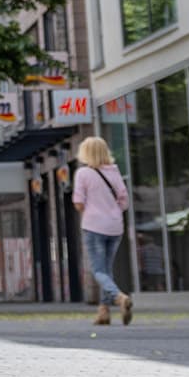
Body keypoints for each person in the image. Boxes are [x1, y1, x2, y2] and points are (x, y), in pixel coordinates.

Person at [72, 136, 133, 326]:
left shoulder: (83, 173)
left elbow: (79, 202)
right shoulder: (114, 172)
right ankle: (104, 313)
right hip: (115, 226)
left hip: (93, 226)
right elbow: (124, 201)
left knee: (97, 270)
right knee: (106, 270)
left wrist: (91, 211)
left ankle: (119, 298)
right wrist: (111, 211)